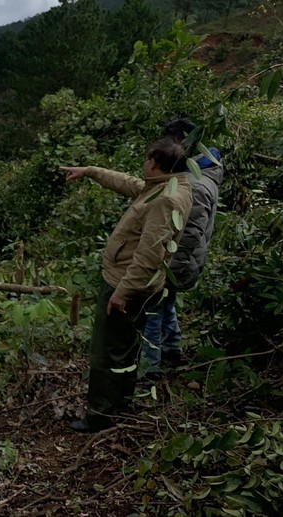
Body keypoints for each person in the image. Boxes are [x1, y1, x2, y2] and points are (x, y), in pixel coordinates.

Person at [61, 138, 193, 432]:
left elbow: (149, 255)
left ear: (155, 163)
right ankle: (121, 402)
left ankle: (100, 415)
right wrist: (91, 171)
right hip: (137, 285)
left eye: (147, 160)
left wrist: (122, 292)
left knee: (106, 351)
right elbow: (128, 183)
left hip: (126, 285)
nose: (143, 165)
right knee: (126, 346)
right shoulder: (170, 186)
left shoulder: (165, 200)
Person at [140, 119, 224, 375]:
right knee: (166, 303)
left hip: (176, 262)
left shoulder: (195, 185)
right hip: (181, 261)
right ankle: (172, 349)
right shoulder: (200, 173)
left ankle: (149, 367)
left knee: (152, 310)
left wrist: (165, 270)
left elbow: (187, 235)